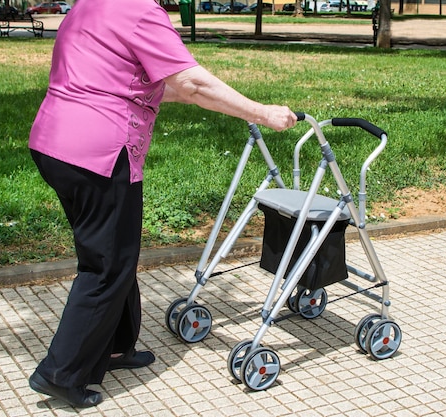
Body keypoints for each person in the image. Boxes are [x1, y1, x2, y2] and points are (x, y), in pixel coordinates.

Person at [27, 0, 297, 408]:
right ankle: (60, 374)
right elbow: (192, 84)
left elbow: (149, 83)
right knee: (106, 266)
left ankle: (116, 346)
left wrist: (217, 101)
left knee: (111, 253)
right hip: (99, 151)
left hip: (55, 142)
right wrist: (262, 113)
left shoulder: (89, 5)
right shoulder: (140, 10)